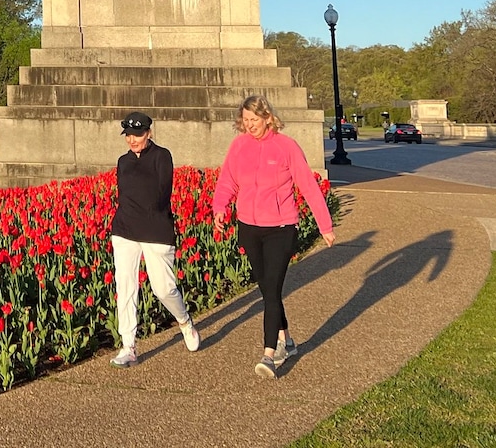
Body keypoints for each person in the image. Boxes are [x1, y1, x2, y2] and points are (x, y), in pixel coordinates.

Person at [211, 94, 336, 378]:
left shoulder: (286, 147)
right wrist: (220, 208)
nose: (249, 125)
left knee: (271, 289)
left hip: (281, 228)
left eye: (254, 120)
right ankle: (288, 341)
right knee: (268, 290)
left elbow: (308, 186)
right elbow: (227, 180)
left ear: (268, 117)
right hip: (249, 227)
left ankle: (269, 354)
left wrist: (324, 226)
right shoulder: (239, 146)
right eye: (245, 121)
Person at [108, 111, 201, 367]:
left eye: (137, 135)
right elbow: (123, 194)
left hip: (155, 229)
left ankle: (184, 321)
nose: (132, 140)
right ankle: (128, 345)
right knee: (125, 286)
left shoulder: (162, 156)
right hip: (125, 229)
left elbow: (162, 195)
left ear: (148, 133)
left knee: (163, 289)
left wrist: (148, 217)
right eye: (128, 135)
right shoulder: (123, 162)